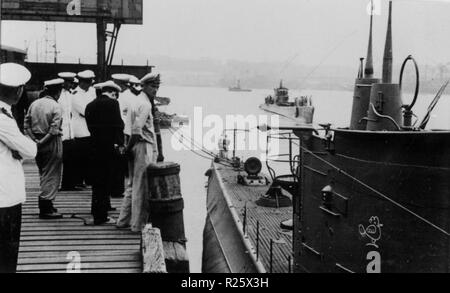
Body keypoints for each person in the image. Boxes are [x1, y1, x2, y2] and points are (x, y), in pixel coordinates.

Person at [0, 63, 37, 273]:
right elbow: (30, 150)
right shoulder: (3, 118)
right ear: (19, 91)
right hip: (5, 198)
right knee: (7, 255)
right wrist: (21, 147)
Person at [116, 73, 160, 232]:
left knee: (131, 185)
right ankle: (137, 225)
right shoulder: (146, 105)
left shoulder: (135, 101)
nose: (155, 90)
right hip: (142, 146)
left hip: (133, 145)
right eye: (153, 86)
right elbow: (136, 129)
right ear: (145, 86)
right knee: (142, 186)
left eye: (157, 86)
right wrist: (129, 148)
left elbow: (128, 128)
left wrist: (127, 147)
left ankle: (123, 220)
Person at [85, 81, 124, 225]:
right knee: (106, 181)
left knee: (97, 183)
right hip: (108, 148)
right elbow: (118, 125)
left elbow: (90, 127)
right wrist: (120, 143)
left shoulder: (90, 105)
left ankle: (97, 213)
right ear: (113, 92)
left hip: (94, 147)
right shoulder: (113, 104)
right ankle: (102, 216)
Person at [24, 78, 65, 220]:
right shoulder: (56, 106)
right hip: (51, 142)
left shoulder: (34, 104)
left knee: (43, 172)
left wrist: (35, 140)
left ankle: (47, 204)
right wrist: (42, 141)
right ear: (58, 92)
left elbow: (26, 125)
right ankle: (46, 207)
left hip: (36, 140)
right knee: (52, 174)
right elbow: (54, 130)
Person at [71, 70, 96, 188]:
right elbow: (85, 112)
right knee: (80, 158)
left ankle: (88, 179)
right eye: (88, 82)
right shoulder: (75, 95)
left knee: (89, 157)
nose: (90, 84)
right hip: (81, 130)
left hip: (90, 129)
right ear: (82, 82)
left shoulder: (92, 92)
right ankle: (78, 180)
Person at [57, 72, 79, 191]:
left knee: (71, 159)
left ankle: (69, 184)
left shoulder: (71, 95)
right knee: (59, 159)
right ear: (63, 82)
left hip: (70, 130)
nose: (71, 85)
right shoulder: (58, 95)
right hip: (61, 130)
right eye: (69, 82)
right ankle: (58, 184)